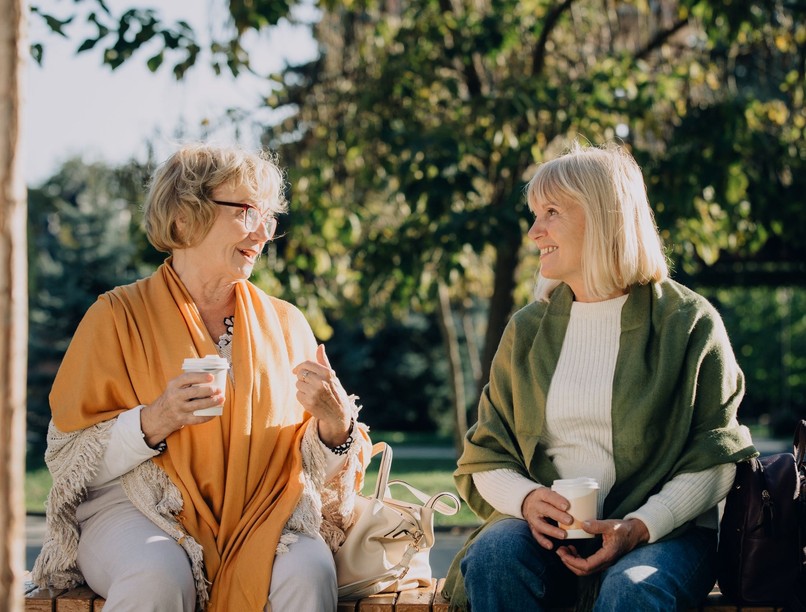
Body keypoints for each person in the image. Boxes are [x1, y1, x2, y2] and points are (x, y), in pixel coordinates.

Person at [32, 142, 371, 612]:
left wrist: (336, 426)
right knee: (157, 575)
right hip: (139, 506)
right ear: (183, 218)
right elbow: (70, 464)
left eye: (269, 218)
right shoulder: (113, 317)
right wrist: (155, 420)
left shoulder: (288, 322)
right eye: (248, 211)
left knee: (309, 569)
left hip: (262, 512)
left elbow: (310, 468)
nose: (263, 233)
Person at [443, 141, 757, 611]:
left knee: (632, 589)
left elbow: (716, 457)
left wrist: (639, 527)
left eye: (551, 212)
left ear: (604, 216)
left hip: (664, 533)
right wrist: (529, 500)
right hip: (550, 536)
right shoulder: (527, 330)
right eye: (534, 213)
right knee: (494, 555)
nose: (534, 231)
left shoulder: (689, 322)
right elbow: (486, 454)